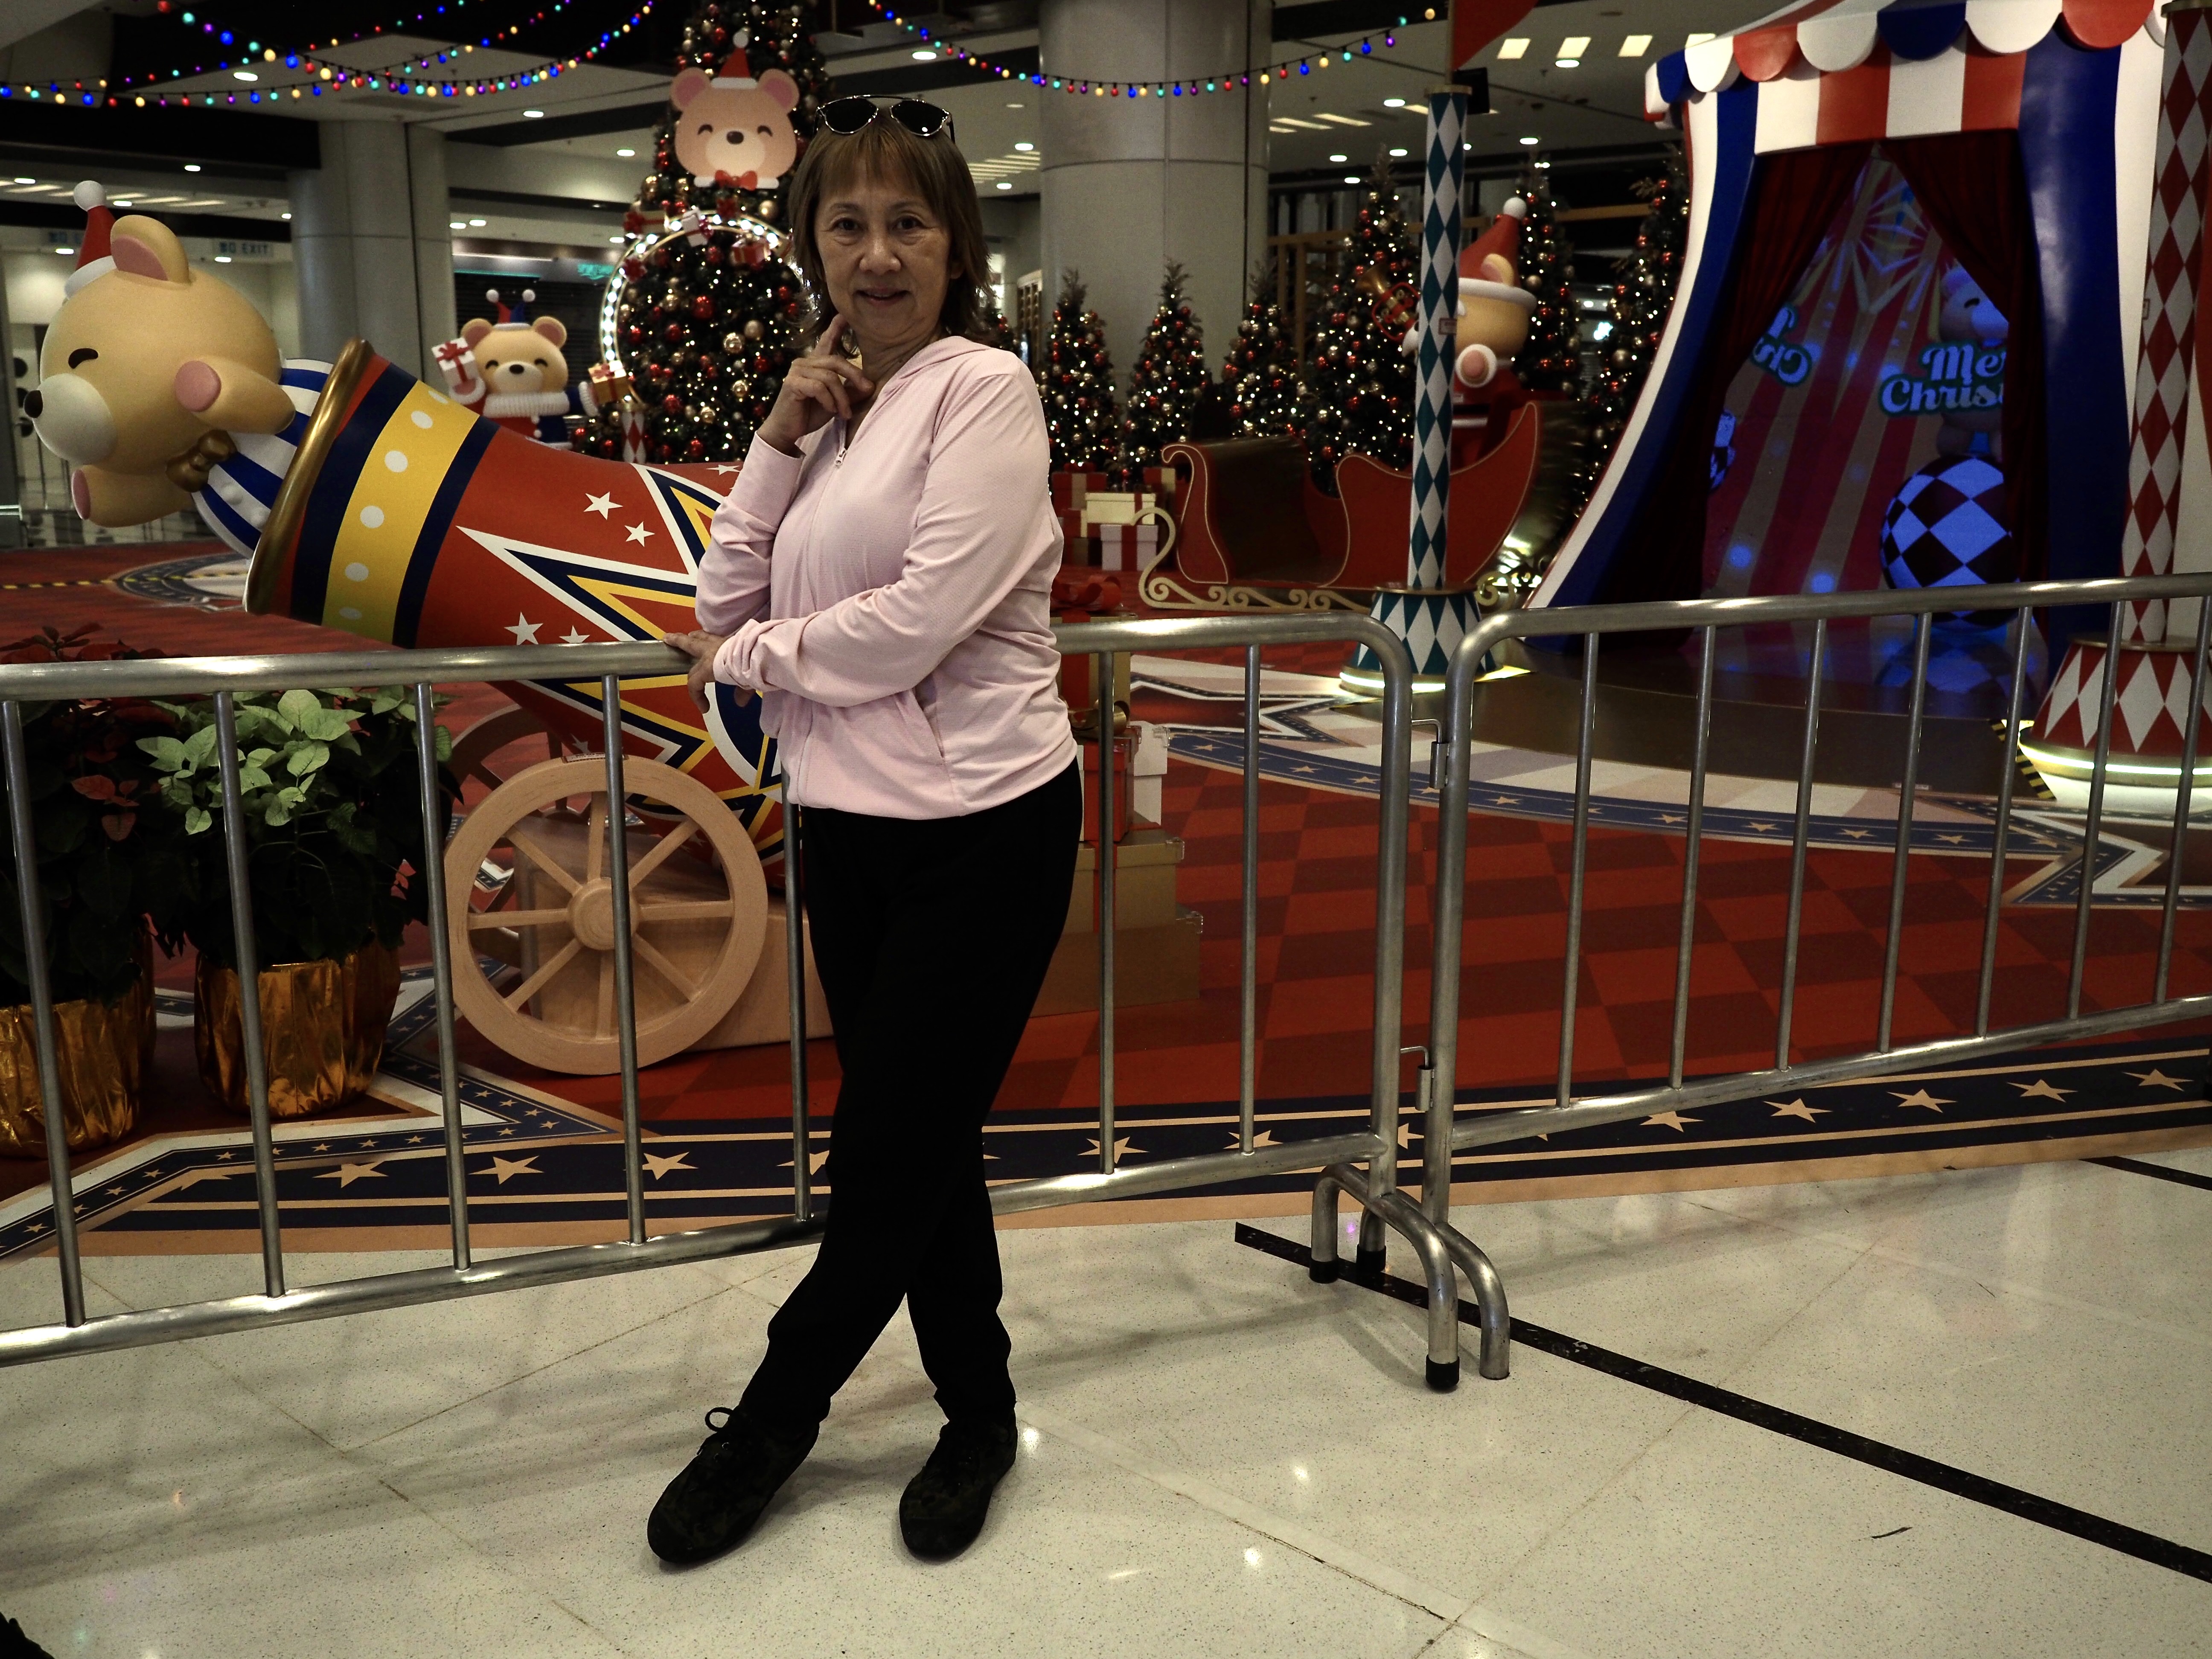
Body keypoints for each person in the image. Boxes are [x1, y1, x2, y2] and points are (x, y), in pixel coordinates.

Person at [652, 96, 1079, 1567]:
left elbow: (908, 628)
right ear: (814, 247)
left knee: (886, 1149)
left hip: (982, 829)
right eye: (848, 224)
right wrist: (776, 442)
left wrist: (752, 660)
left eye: (909, 223)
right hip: (845, 827)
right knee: (925, 1142)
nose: (878, 253)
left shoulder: (985, 392)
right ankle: (980, 1415)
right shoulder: (831, 419)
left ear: (956, 247)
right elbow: (720, 598)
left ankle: (774, 1419)